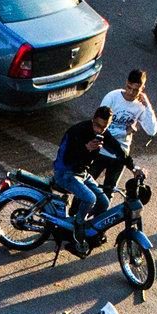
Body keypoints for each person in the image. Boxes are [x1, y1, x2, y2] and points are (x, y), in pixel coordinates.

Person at [52, 105, 124, 247]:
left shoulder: (102, 134)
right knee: (90, 198)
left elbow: (118, 149)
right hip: (65, 172)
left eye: (104, 127)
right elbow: (66, 160)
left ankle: (92, 232)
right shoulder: (77, 131)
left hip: (82, 174)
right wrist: (86, 148)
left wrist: (134, 168)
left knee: (103, 202)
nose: (100, 130)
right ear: (93, 119)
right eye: (97, 125)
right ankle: (77, 229)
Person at [96, 67, 157, 193]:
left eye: (136, 90)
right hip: (101, 149)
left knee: (109, 192)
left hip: (120, 155)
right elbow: (99, 128)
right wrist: (124, 132)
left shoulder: (140, 106)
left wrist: (147, 105)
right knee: (86, 187)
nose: (130, 93)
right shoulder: (112, 97)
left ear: (142, 89)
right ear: (126, 83)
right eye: (129, 87)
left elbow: (152, 131)